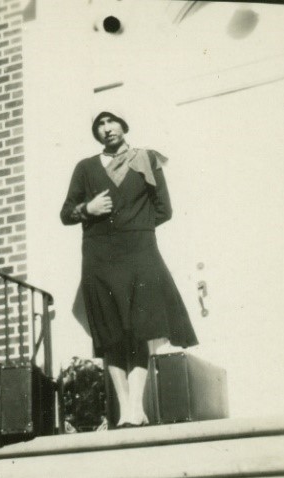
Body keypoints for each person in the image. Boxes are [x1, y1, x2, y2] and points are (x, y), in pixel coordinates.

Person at [60, 110, 198, 428]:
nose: (107, 129)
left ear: (124, 126)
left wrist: (134, 228)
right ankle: (124, 410)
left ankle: (137, 407)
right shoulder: (85, 168)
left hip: (139, 253)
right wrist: (88, 208)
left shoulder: (146, 159)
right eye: (100, 125)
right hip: (99, 255)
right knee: (110, 334)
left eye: (112, 122)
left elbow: (164, 209)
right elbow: (66, 213)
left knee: (140, 329)